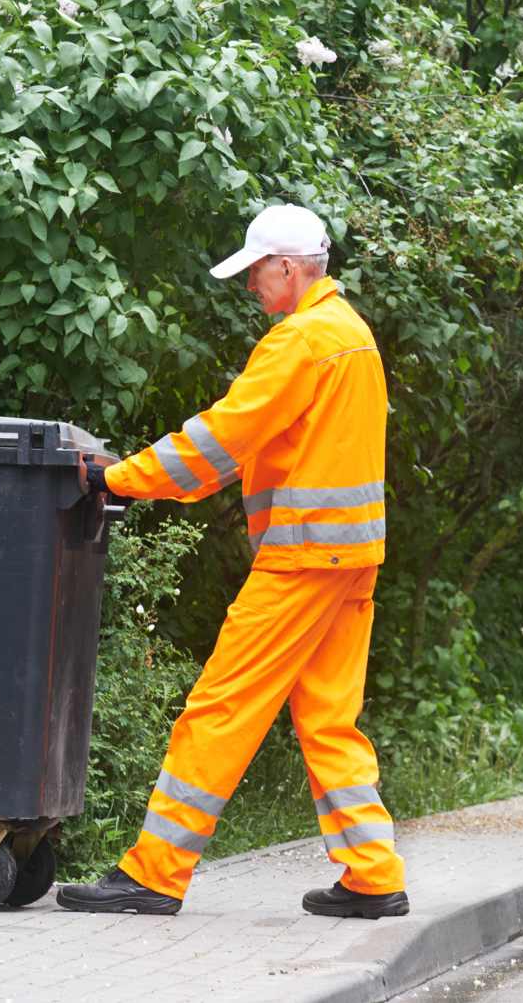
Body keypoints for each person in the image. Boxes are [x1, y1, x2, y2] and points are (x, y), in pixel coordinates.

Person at [58, 204, 411, 919]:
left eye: (255, 271)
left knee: (220, 708)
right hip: (352, 557)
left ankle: (155, 871)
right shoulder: (353, 334)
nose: (251, 285)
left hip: (303, 558)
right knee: (328, 718)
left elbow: (223, 438)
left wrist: (116, 478)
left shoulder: (301, 340)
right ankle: (372, 874)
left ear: (286, 267)